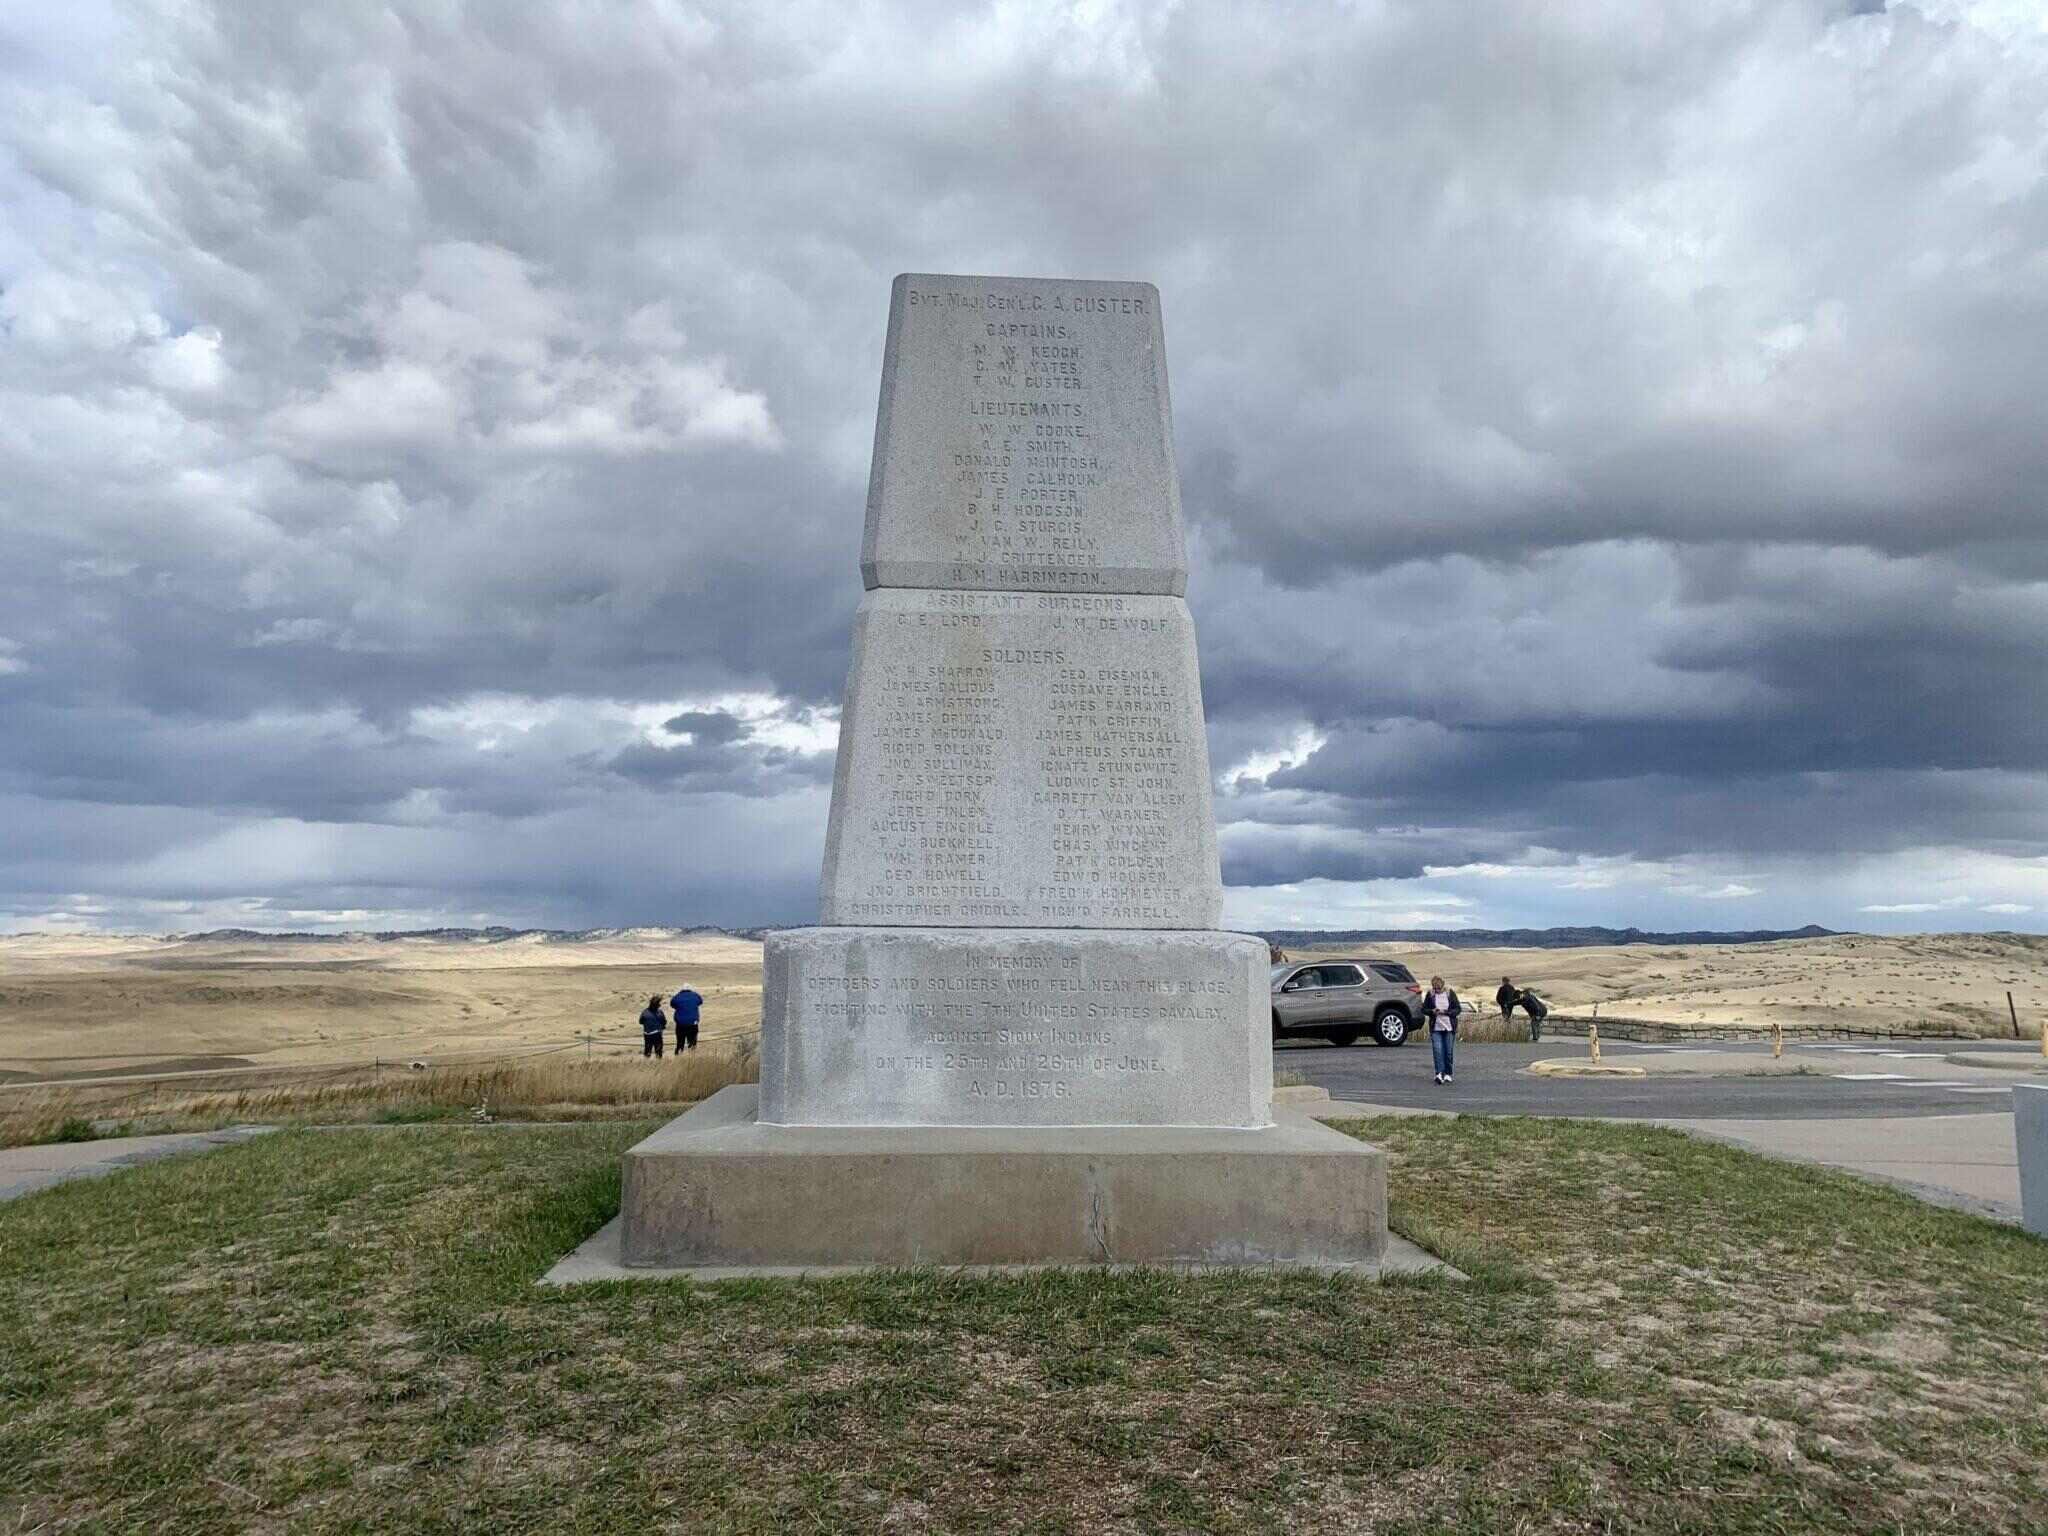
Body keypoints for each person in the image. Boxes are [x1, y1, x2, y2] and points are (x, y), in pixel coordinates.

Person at [1423, 975, 1461, 1084]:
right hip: (1436, 1027)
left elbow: (1458, 1009)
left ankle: (1448, 1073)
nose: (1437, 990)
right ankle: (1439, 1073)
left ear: (1443, 986)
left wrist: (1446, 1012)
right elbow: (1424, 1009)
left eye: (1438, 988)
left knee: (1448, 1052)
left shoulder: (1450, 994)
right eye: (1434, 988)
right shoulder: (1430, 995)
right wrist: (1432, 1011)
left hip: (1449, 1027)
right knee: (1438, 1051)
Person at [671, 983, 703, 1052]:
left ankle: (679, 1055)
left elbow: (672, 1004)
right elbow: (700, 1001)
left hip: (680, 1024)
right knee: (692, 1044)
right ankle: (692, 1056)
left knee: (680, 1043)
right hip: (693, 1023)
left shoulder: (678, 996)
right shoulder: (695, 995)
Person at [639, 995, 667, 1059]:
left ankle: (646, 1063)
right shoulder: (659, 1012)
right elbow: (664, 1022)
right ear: (657, 1005)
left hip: (647, 1034)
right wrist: (662, 1027)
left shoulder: (644, 1011)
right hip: (657, 1034)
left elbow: (640, 1021)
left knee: (647, 1052)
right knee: (658, 1052)